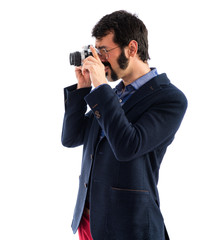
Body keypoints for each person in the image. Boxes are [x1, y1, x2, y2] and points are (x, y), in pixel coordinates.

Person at [61, 10, 187, 240]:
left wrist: (101, 89)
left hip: (128, 228)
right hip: (89, 221)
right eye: (97, 52)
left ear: (132, 48)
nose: (100, 59)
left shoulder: (169, 99)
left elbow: (127, 146)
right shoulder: (113, 94)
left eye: (105, 51)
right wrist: (83, 89)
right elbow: (71, 138)